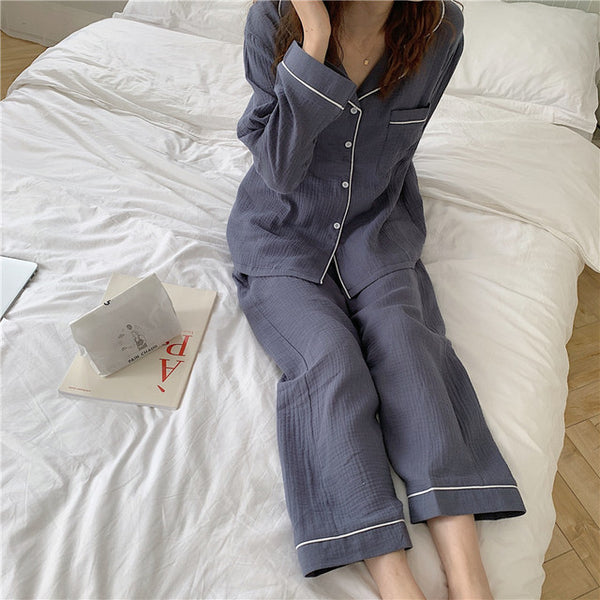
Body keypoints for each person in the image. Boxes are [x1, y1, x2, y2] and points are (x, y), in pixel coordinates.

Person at [226, 1, 526, 598]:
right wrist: (315, 39)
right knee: (329, 360)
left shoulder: (441, 28)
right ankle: (394, 581)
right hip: (283, 231)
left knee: (408, 345)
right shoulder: (274, 18)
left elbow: (401, 149)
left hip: (376, 229)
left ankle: (469, 578)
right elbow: (279, 169)